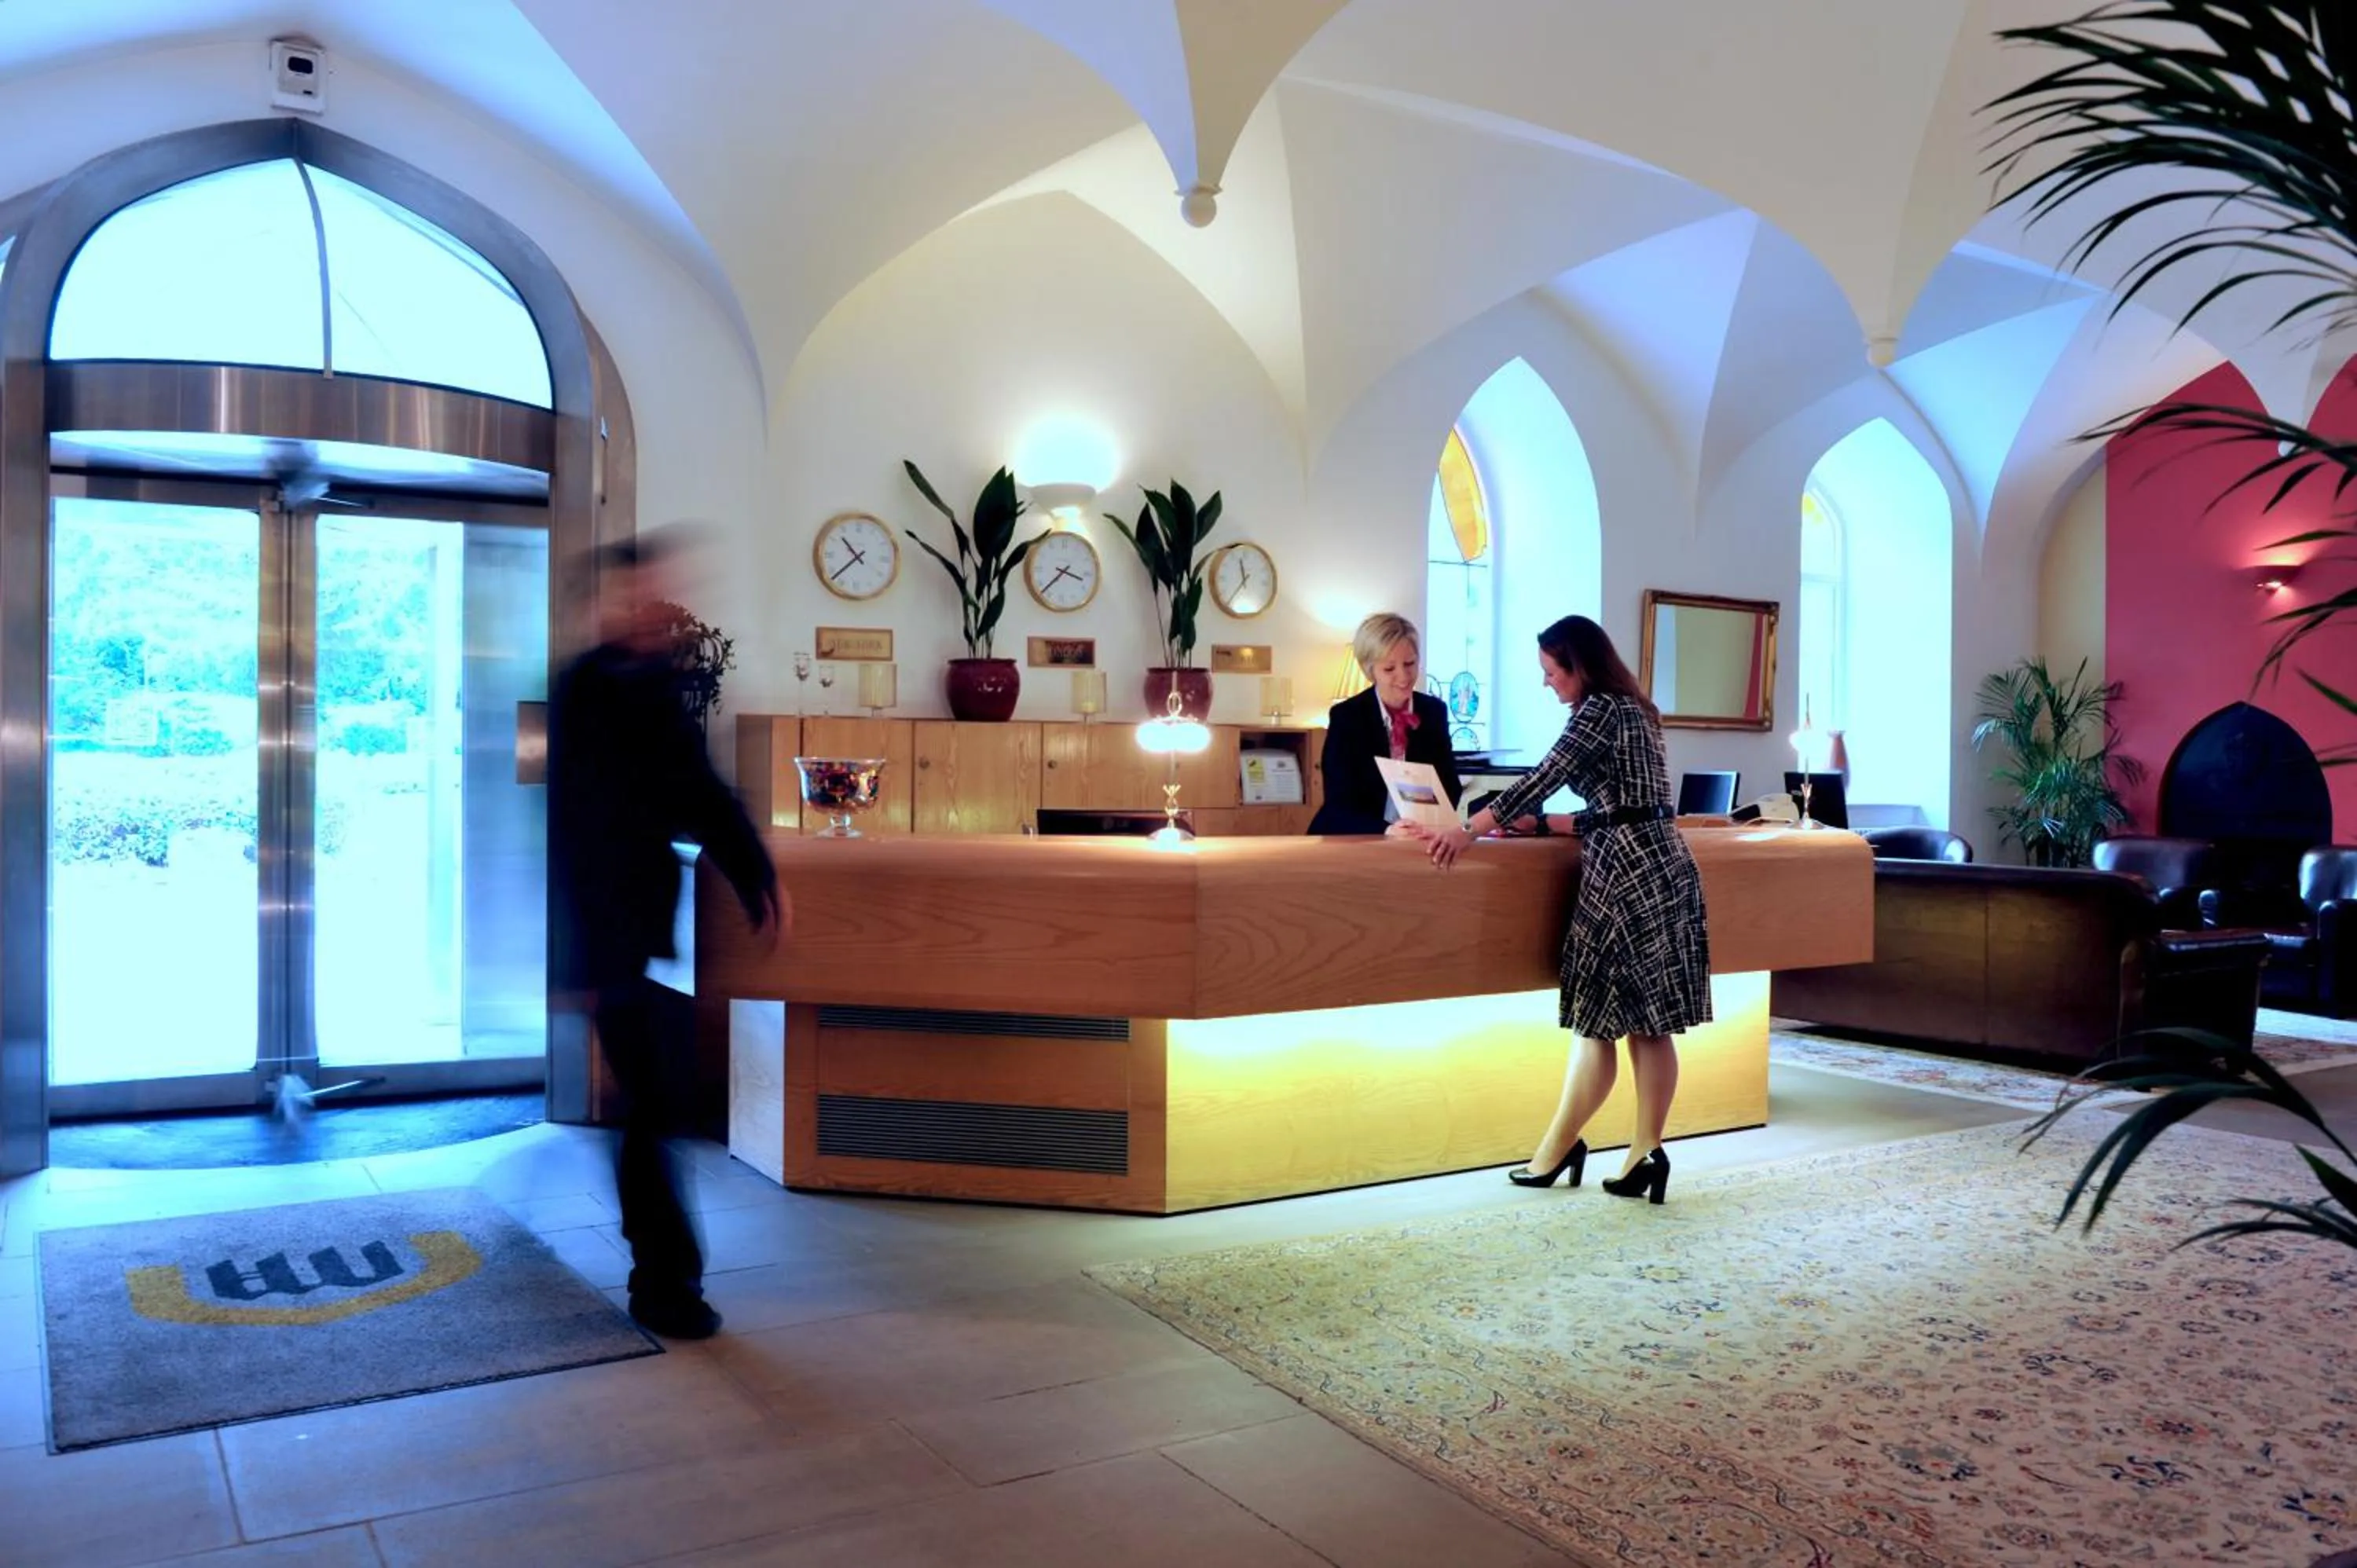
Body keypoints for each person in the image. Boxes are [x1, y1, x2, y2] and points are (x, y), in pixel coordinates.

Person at [548, 529, 785, 1338]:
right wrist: (570, 956)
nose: (656, 609)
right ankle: (663, 1282)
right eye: (641, 595)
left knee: (659, 1104)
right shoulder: (587, 691)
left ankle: (664, 1274)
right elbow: (570, 833)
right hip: (608, 940)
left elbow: (697, 790)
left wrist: (754, 872)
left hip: (646, 936)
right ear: (607, 604)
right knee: (655, 1105)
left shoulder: (646, 683)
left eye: (661, 595)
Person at [1407, 614, 1708, 1203]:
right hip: (1666, 866)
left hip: (1622, 877)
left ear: (1579, 666)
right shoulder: (1637, 710)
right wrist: (1541, 824)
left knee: (1597, 1024)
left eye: (1551, 672)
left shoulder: (1598, 711)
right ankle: (1645, 1152)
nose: (1547, 684)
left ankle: (1557, 1150)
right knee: (1650, 1026)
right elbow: (1628, 805)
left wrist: (1467, 831)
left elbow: (1544, 776)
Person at [1307, 612, 1462, 835]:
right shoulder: (1347, 716)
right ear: (1371, 671)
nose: (1404, 676)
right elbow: (1339, 803)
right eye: (1389, 669)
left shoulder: (1433, 711)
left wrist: (1429, 824)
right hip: (1357, 837)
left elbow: (1449, 786)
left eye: (1410, 663)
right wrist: (1387, 830)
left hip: (1418, 837)